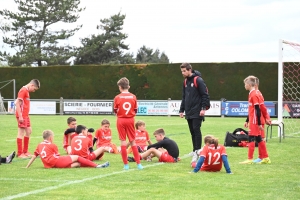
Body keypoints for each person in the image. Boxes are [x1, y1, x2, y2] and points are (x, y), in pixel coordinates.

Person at [25, 130, 109, 169]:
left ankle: (91, 165)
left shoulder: (39, 145)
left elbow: (34, 156)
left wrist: (27, 167)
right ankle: (97, 166)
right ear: (50, 138)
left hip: (48, 165)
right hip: (56, 162)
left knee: (77, 164)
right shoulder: (52, 145)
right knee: (76, 157)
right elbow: (57, 157)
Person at [179, 63, 210, 164]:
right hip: (189, 111)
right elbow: (184, 97)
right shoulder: (185, 82)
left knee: (196, 130)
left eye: (184, 71)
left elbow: (205, 95)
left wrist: (203, 108)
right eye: (182, 71)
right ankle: (195, 150)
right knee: (192, 131)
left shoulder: (198, 80)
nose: (183, 73)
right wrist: (181, 110)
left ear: (189, 70)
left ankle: (197, 150)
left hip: (197, 110)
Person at [240, 76, 271, 164]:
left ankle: (250, 159)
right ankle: (265, 157)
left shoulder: (254, 94)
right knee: (259, 138)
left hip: (255, 120)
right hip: (253, 119)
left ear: (249, 84)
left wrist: (259, 123)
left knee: (252, 138)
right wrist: (247, 120)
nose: (244, 86)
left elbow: (258, 109)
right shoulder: (254, 93)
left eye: (245, 84)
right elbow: (252, 109)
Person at [113, 77, 143, 170]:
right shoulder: (133, 96)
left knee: (123, 141)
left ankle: (126, 165)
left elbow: (115, 110)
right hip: (130, 119)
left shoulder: (117, 97)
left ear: (120, 87)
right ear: (128, 86)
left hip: (121, 120)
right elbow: (135, 110)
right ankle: (139, 164)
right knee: (132, 141)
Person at [15, 79, 40, 158]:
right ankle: (20, 153)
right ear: (32, 85)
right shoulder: (23, 91)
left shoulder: (27, 91)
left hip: (26, 115)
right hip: (22, 115)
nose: (34, 91)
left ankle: (25, 151)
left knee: (29, 131)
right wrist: (20, 116)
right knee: (21, 133)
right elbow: (17, 103)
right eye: (34, 89)